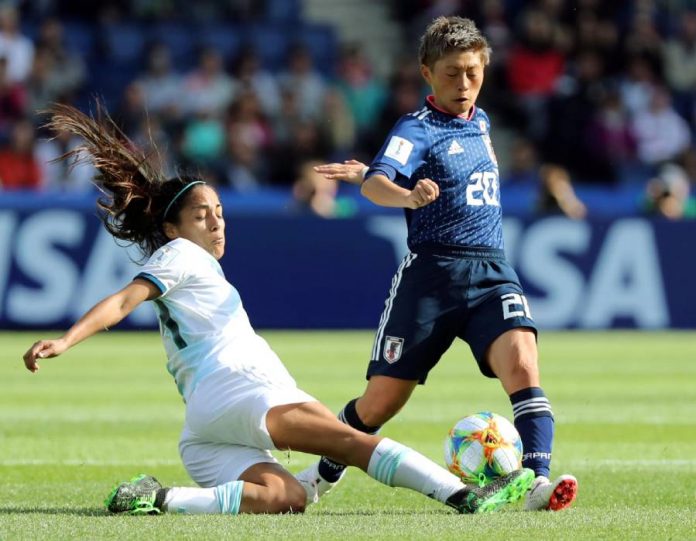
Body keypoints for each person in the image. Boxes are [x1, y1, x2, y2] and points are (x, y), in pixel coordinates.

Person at [22, 103, 534, 516]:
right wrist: (67, 339)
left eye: (220, 213)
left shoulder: (189, 263)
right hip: (239, 389)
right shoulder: (178, 255)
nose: (217, 223)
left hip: (203, 432)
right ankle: (465, 497)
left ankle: (159, 499)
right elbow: (123, 300)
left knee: (287, 498)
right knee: (352, 441)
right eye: (202, 215)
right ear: (174, 228)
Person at [313, 16, 578, 512]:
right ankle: (318, 477)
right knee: (379, 405)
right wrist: (407, 195)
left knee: (522, 362)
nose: (464, 84)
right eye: (452, 73)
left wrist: (375, 176)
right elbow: (377, 184)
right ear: (427, 73)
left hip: (491, 270)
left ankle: (537, 482)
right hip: (431, 278)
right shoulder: (417, 127)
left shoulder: (481, 120)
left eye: (472, 73)